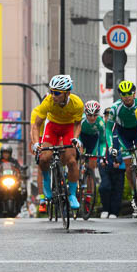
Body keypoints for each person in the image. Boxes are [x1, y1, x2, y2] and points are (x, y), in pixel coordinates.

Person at [31, 74, 84, 210]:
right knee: (44, 158)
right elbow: (36, 125)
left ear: (67, 93)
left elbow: (78, 124)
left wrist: (76, 138)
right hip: (52, 127)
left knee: (71, 161)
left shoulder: (77, 103)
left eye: (57, 93)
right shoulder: (48, 102)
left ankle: (72, 194)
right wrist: (36, 143)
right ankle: (47, 180)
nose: (53, 95)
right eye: (51, 91)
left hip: (68, 128)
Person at [106, 80, 137, 201]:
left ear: (134, 94)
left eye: (129, 94)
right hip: (123, 135)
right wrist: (111, 146)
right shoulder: (115, 108)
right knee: (128, 166)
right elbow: (109, 129)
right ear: (120, 95)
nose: (127, 97)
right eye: (123, 95)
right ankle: (134, 190)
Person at [80, 100, 106, 202]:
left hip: (93, 141)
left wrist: (102, 156)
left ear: (98, 114)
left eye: (94, 115)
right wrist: (80, 150)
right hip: (81, 138)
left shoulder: (100, 123)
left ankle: (88, 197)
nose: (92, 118)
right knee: (78, 158)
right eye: (89, 115)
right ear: (85, 113)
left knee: (91, 166)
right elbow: (76, 135)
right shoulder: (81, 120)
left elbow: (103, 142)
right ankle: (77, 177)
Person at [98, 127, 125, 218]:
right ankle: (105, 209)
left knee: (117, 189)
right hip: (105, 164)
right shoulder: (102, 130)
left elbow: (123, 146)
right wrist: (101, 159)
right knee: (104, 187)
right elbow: (99, 145)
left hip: (119, 165)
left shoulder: (120, 129)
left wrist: (119, 160)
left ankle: (114, 211)